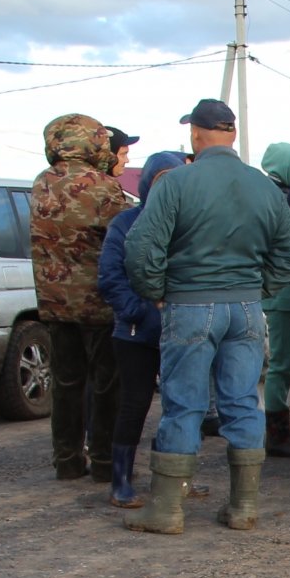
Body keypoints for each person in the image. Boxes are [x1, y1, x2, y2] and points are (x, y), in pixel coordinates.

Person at [124, 98, 290, 534]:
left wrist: (157, 292)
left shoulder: (176, 183)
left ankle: (166, 510)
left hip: (189, 304)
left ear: (195, 134)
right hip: (246, 309)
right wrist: (257, 290)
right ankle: (243, 507)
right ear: (234, 135)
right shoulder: (264, 187)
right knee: (242, 402)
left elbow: (140, 248)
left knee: (183, 405)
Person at [31, 113, 132, 483]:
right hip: (98, 301)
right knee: (106, 384)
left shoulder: (41, 183)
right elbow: (124, 237)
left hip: (55, 301)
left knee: (66, 383)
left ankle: (67, 460)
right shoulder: (103, 186)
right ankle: (104, 461)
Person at [97, 149, 186, 509]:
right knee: (133, 405)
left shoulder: (189, 223)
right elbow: (110, 277)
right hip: (135, 333)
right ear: (148, 182)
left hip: (182, 330)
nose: (167, 187)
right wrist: (139, 313)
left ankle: (175, 479)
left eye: (174, 180)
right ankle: (120, 481)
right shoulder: (125, 223)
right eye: (161, 179)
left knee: (181, 407)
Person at [258, 141, 290, 459]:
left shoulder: (270, 194)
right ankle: (276, 434)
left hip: (279, 294)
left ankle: (277, 432)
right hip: (282, 295)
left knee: (283, 364)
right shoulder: (279, 199)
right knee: (281, 365)